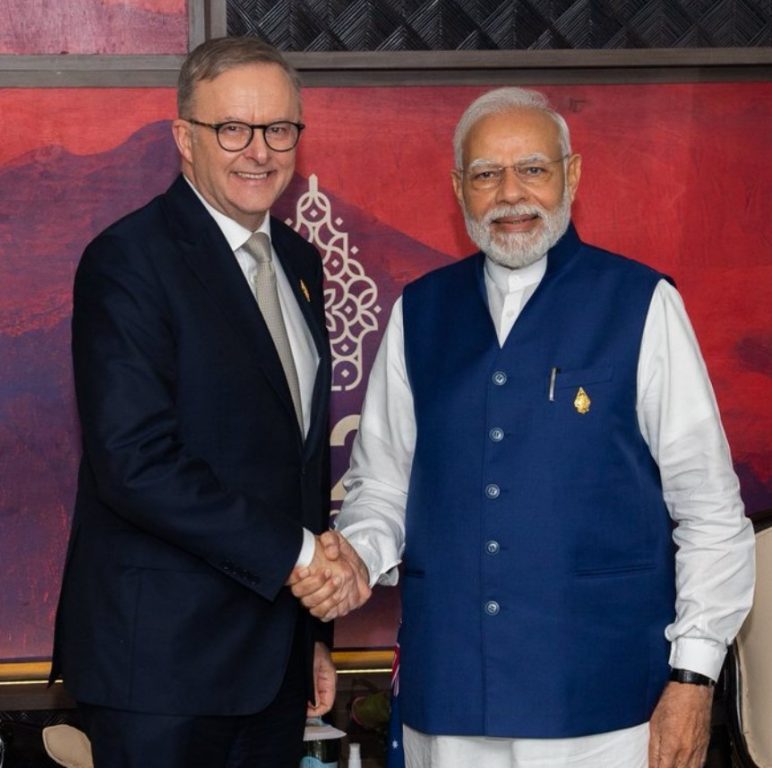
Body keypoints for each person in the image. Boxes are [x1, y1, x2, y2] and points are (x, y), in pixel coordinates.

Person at [293, 87, 756, 768]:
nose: (511, 194)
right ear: (460, 188)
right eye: (487, 174)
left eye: (533, 169)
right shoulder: (419, 313)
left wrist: (693, 677)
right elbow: (383, 486)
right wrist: (359, 555)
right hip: (448, 702)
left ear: (572, 174)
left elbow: (710, 510)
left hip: (604, 707)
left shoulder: (641, 303)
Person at [50, 36, 368, 768]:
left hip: (273, 665)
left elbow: (295, 464)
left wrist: (311, 633)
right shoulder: (129, 260)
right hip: (161, 670)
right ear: (184, 138)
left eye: (278, 128)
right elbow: (136, 463)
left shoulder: (299, 260)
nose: (259, 151)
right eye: (232, 128)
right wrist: (302, 559)